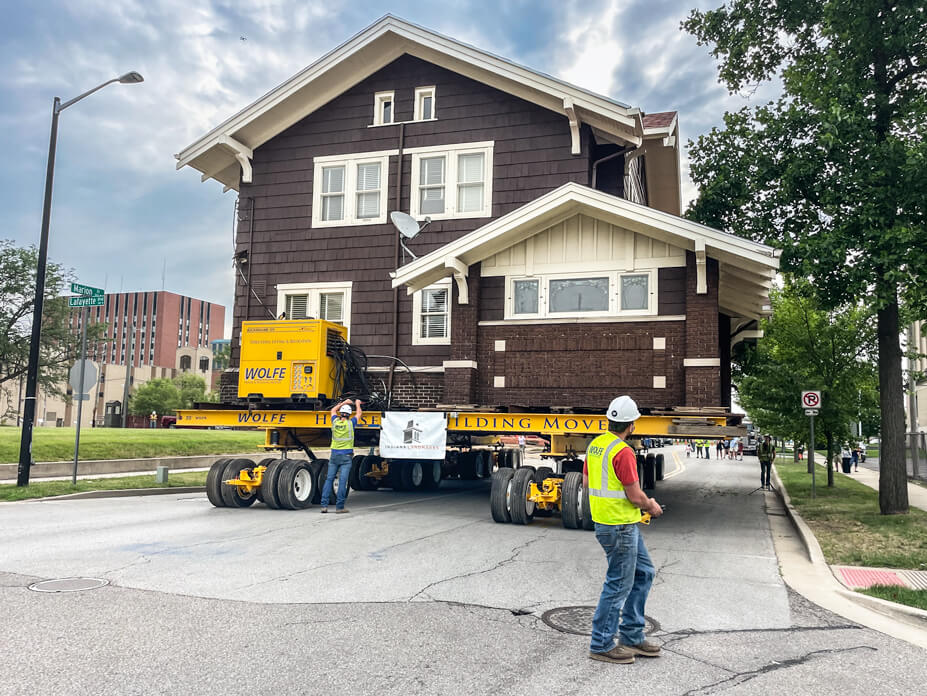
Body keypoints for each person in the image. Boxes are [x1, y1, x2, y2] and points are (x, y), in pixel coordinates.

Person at [585, 395, 663, 664]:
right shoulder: (623, 452)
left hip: (612, 524)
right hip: (619, 527)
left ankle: (631, 636)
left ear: (609, 420)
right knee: (619, 584)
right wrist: (651, 505)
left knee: (644, 573)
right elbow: (635, 496)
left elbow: (586, 483)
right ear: (631, 425)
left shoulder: (595, 446)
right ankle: (601, 643)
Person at [320, 398, 363, 514]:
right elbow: (359, 413)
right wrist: (357, 404)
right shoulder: (351, 424)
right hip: (346, 457)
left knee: (329, 480)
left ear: (340, 413)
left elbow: (333, 410)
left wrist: (344, 402)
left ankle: (324, 506)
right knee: (342, 482)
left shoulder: (335, 422)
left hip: (334, 455)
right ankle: (339, 507)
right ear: (349, 414)